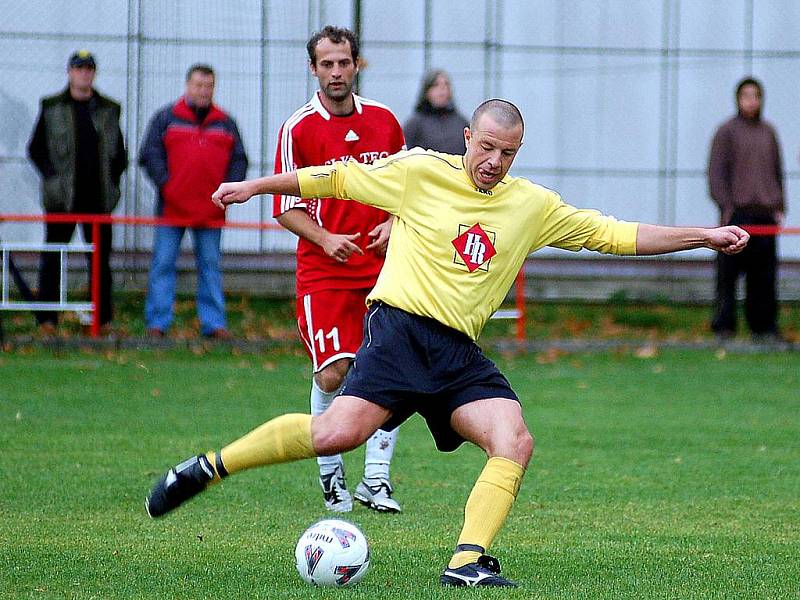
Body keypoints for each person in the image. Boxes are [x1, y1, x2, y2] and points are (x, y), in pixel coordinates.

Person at [147, 99, 749, 587]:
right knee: (337, 433)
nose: (493, 161)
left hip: (458, 352)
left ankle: (467, 560)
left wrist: (703, 234)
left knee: (514, 439)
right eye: (485, 147)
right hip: (400, 331)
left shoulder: (531, 205)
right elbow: (333, 178)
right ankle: (208, 468)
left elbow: (614, 234)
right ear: (467, 137)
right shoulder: (419, 171)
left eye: (506, 153)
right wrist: (254, 186)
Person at [273, 26, 406, 513]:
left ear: (356, 65)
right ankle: (331, 475)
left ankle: (377, 480)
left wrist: (393, 222)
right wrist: (327, 239)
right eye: (326, 64)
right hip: (324, 272)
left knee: (390, 369)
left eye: (343, 63)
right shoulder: (299, 128)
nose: (335, 72)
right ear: (313, 68)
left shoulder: (386, 121)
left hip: (383, 271)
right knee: (334, 375)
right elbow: (285, 206)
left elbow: (409, 190)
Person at [139, 64, 248, 339]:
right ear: (187, 86)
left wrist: (228, 192)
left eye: (208, 86)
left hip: (211, 210)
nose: (203, 91)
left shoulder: (226, 122)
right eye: (198, 85)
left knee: (210, 267)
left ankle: (214, 324)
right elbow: (149, 154)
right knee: (163, 264)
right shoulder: (166, 118)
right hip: (171, 208)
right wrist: (168, 184)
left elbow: (239, 160)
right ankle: (157, 323)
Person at [27, 50, 127, 335]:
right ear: (69, 72)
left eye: (88, 69)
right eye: (79, 68)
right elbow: (36, 149)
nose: (84, 73)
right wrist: (53, 181)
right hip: (62, 201)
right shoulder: (52, 106)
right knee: (53, 257)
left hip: (98, 201)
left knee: (99, 261)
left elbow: (119, 153)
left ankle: (101, 320)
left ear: (94, 73)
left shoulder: (108, 108)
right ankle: (47, 319)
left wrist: (113, 184)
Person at [708, 77, 785, 341]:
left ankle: (764, 329)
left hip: (765, 216)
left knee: (763, 278)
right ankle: (724, 327)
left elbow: (777, 172)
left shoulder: (768, 132)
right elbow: (716, 174)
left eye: (756, 96)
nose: (752, 101)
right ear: (738, 99)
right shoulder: (726, 132)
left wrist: (779, 205)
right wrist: (726, 205)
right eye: (747, 96)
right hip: (737, 216)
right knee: (728, 276)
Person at [403, 69, 469, 154]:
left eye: (446, 85)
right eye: (436, 85)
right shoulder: (414, 125)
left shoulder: (461, 123)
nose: (442, 89)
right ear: (426, 91)